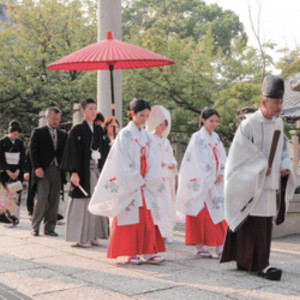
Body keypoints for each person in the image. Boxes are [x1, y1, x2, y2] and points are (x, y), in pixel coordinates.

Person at [220, 75, 296, 281]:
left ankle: (259, 262)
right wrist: (261, 165)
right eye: (276, 103)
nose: (279, 107)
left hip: (269, 185)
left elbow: (282, 150)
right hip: (250, 182)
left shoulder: (279, 124)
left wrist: (284, 166)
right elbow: (240, 153)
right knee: (251, 222)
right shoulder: (248, 125)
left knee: (263, 225)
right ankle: (253, 263)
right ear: (264, 102)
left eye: (281, 102)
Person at [89, 98, 166, 264]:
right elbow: (120, 160)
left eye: (147, 116)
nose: (144, 119)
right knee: (130, 215)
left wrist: (149, 177)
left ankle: (148, 250)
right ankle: (131, 252)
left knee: (147, 216)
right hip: (131, 181)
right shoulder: (124, 133)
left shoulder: (147, 135)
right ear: (132, 114)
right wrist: (136, 178)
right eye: (141, 115)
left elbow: (154, 158)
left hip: (146, 180)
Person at [176, 108, 227, 258]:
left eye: (216, 121)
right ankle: (199, 245)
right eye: (211, 120)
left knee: (218, 211)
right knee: (199, 212)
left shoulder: (216, 137)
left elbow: (222, 156)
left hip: (215, 181)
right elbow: (197, 160)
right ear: (203, 120)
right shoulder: (197, 137)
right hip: (201, 181)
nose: (214, 124)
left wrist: (221, 173)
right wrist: (210, 176)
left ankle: (220, 245)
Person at [61, 98, 110, 248]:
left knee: (96, 201)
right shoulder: (77, 130)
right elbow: (72, 152)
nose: (93, 111)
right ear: (83, 111)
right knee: (82, 203)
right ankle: (81, 237)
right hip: (83, 171)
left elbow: (105, 150)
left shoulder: (99, 130)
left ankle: (93, 234)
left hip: (96, 170)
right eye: (90, 109)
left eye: (95, 108)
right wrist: (73, 172)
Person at [29, 107, 67, 236]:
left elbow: (65, 153)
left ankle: (50, 228)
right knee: (42, 197)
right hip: (43, 170)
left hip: (58, 170)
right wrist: (37, 167)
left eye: (58, 119)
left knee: (54, 199)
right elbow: (32, 152)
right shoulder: (38, 132)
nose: (56, 121)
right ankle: (35, 226)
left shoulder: (63, 135)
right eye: (53, 118)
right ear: (47, 118)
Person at [146, 105, 177, 244]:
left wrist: (172, 164)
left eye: (165, 124)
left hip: (166, 177)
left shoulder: (166, 141)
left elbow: (171, 156)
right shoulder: (149, 138)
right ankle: (156, 231)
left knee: (168, 205)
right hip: (156, 177)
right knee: (157, 205)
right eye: (160, 124)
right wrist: (162, 163)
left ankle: (166, 231)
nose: (163, 127)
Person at [0, 121, 26, 227]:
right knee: (5, 196)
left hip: (16, 173)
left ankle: (14, 218)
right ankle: (6, 219)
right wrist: (8, 171)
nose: (15, 137)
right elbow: (0, 158)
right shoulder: (2, 142)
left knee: (15, 196)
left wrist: (18, 171)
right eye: (14, 134)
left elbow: (23, 158)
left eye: (17, 135)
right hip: (5, 173)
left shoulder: (20, 143)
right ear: (9, 131)